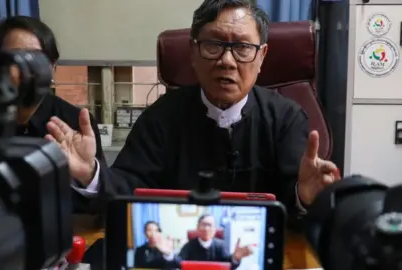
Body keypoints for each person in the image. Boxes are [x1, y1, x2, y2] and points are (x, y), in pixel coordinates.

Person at [45, 0, 341, 217]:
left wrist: (305, 195)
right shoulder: (162, 117)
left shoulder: (287, 118)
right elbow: (129, 188)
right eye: (214, 45)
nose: (227, 61)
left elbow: (295, 201)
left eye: (242, 48)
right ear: (193, 53)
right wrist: (91, 173)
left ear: (262, 56)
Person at [0, 16, 105, 214]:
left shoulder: (76, 122)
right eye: (15, 57)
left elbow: (101, 205)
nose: (26, 69)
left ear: (52, 68)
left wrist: (88, 176)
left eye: (36, 58)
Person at [159, 214, 252, 269]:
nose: (207, 229)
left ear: (215, 229)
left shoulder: (221, 245)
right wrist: (169, 254)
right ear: (197, 228)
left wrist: (236, 258)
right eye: (204, 225)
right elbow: (179, 263)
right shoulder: (190, 245)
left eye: (210, 225)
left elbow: (229, 266)